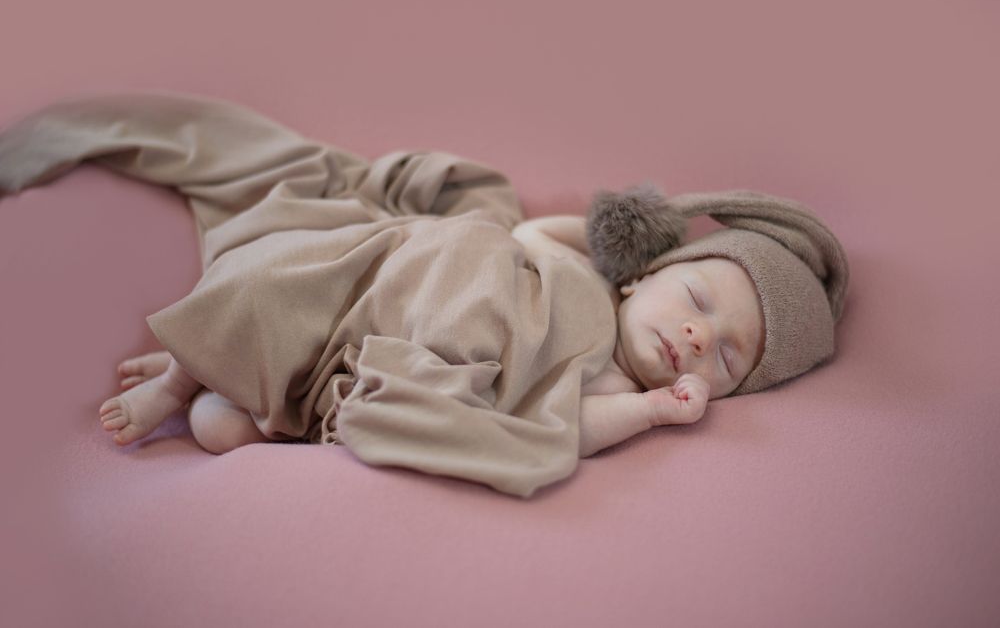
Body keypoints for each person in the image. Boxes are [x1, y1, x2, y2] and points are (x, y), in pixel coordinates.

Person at [102, 185, 849, 459]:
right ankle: (178, 376)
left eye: (726, 359)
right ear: (644, 274)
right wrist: (614, 241)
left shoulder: (618, 388)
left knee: (223, 431)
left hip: (391, 366)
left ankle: (233, 390)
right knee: (279, 282)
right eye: (695, 299)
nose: (697, 337)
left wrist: (653, 412)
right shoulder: (590, 273)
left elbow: (562, 430)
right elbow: (524, 235)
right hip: (405, 288)